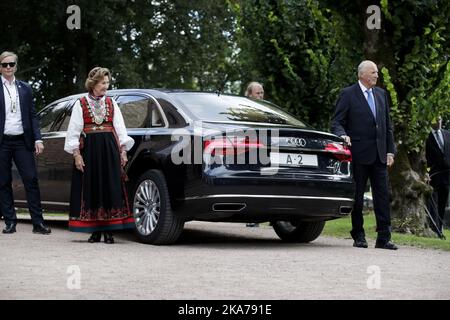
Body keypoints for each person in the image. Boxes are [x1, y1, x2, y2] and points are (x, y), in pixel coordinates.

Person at [331, 60, 398, 250]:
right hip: (358, 154)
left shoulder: (381, 94)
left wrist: (390, 151)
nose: (377, 75)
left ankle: (384, 238)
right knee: (358, 197)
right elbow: (337, 122)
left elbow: (387, 126)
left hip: (379, 155)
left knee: (383, 197)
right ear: (362, 74)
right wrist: (342, 135)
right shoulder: (348, 94)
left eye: (377, 72)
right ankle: (358, 235)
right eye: (373, 72)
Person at [64, 67, 135, 244]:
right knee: (92, 187)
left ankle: (109, 231)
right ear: (94, 84)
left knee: (109, 186)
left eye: (107, 83)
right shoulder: (80, 103)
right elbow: (73, 130)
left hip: (109, 148)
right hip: (89, 150)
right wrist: (76, 154)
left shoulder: (112, 103)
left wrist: (123, 150)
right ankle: (95, 231)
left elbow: (120, 127)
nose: (106, 86)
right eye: (103, 83)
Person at [0, 51, 51, 234]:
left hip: (22, 141)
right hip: (2, 142)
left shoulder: (25, 88)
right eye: (5, 64)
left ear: (16, 66)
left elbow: (32, 115)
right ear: (0, 67)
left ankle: (38, 223)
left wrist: (38, 138)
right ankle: (10, 222)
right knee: (3, 182)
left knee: (31, 179)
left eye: (11, 64)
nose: (8, 67)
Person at [425, 116, 450, 237]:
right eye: (436, 119)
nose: (439, 121)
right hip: (432, 177)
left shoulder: (447, 134)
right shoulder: (425, 136)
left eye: (440, 119)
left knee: (442, 203)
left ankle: (439, 228)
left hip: (446, 177)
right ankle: (435, 230)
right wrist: (425, 172)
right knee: (433, 204)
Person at [245, 81, 265, 227]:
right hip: (249, 149)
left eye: (262, 93)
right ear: (250, 94)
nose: (261, 96)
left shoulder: (266, 110)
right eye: (258, 93)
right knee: (253, 181)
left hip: (266, 149)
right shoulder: (243, 110)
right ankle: (253, 217)